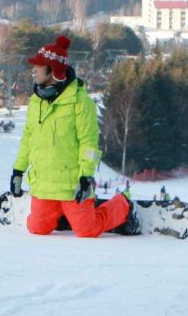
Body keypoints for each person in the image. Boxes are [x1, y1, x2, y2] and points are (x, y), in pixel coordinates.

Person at [8, 36, 133, 237]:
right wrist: (18, 170)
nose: (34, 70)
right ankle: (64, 214)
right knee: (37, 229)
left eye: (39, 66)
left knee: (87, 230)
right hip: (44, 183)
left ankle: (123, 204)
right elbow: (28, 138)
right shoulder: (35, 101)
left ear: (53, 70)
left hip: (71, 183)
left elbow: (89, 143)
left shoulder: (81, 103)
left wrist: (86, 177)